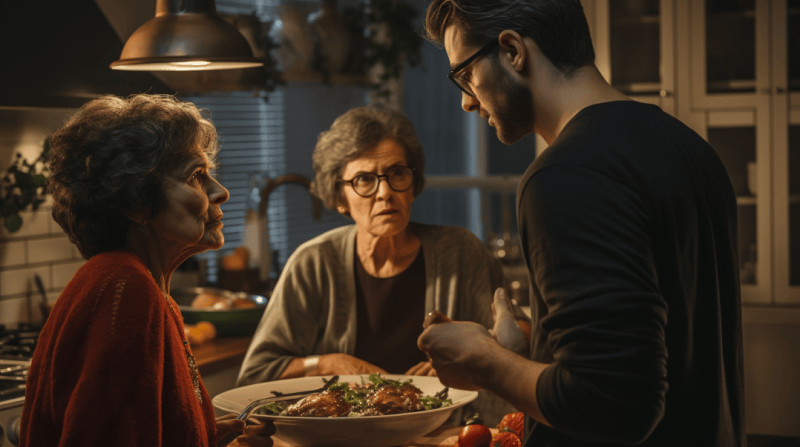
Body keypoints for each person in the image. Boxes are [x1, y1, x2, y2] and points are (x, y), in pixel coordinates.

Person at [417, 1, 744, 447]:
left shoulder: (566, 175)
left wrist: (486, 363)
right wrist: (531, 355)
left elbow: (616, 403)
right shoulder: (690, 148)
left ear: (513, 50)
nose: (466, 100)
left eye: (465, 74)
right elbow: (663, 353)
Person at [236, 105, 518, 424]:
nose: (384, 192)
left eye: (397, 172)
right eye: (364, 179)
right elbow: (254, 377)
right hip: (341, 442)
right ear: (339, 197)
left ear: (413, 183)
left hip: (443, 435)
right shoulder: (313, 263)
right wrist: (331, 363)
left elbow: (513, 355)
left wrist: (463, 363)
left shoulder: (462, 252)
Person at [20, 94, 274, 447]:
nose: (222, 192)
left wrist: (212, 437)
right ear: (137, 203)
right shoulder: (125, 290)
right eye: (196, 176)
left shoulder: (144, 287)